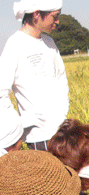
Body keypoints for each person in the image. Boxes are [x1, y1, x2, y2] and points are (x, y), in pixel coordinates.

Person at [0, 0, 69, 151]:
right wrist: (18, 122)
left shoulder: (49, 42)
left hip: (61, 132)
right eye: (54, 16)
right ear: (36, 14)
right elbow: (1, 91)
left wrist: (63, 112)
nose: (57, 22)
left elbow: (61, 78)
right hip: (39, 136)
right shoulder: (15, 44)